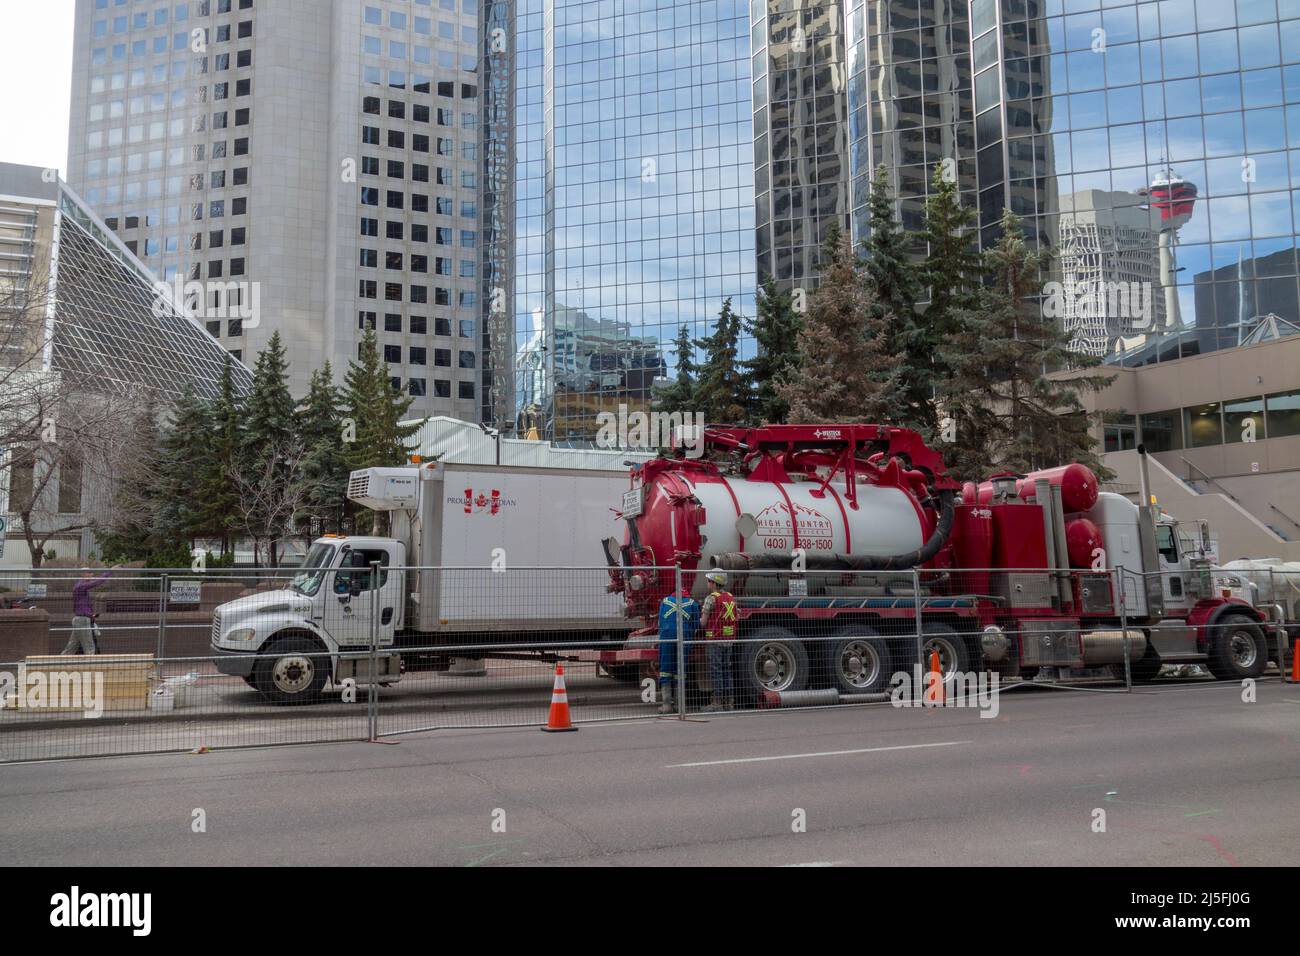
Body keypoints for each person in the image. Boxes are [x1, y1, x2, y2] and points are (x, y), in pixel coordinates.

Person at [656, 587, 699, 715]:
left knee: (665, 670)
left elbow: (660, 622)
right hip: (684, 638)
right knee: (680, 670)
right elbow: (696, 624)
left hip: (667, 637)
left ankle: (667, 705)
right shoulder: (692, 603)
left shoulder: (665, 601)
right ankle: (681, 706)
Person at [700, 570, 737, 712]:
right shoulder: (731, 597)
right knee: (726, 670)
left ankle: (717, 702)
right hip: (729, 639)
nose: (707, 583)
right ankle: (729, 702)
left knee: (716, 670)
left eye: (709, 580)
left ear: (714, 583)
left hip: (714, 640)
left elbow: (703, 622)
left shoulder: (711, 598)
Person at [61, 566, 117, 655]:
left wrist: (91, 615)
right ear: (84, 574)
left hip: (79, 619)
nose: (92, 574)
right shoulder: (81, 586)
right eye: (90, 573)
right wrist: (109, 572)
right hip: (82, 620)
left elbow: (82, 605)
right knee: (90, 647)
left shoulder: (80, 586)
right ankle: (91, 666)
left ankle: (60, 662)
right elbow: (97, 582)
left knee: (71, 647)